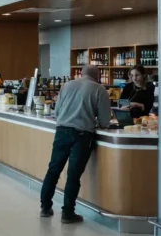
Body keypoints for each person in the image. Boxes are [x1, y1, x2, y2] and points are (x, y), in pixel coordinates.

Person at [40, 65, 110, 224]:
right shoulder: (99, 89)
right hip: (82, 135)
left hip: (61, 131)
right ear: (97, 75)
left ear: (81, 74)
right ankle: (68, 213)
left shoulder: (67, 85)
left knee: (53, 169)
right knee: (73, 175)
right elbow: (105, 121)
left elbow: (56, 112)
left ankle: (45, 207)